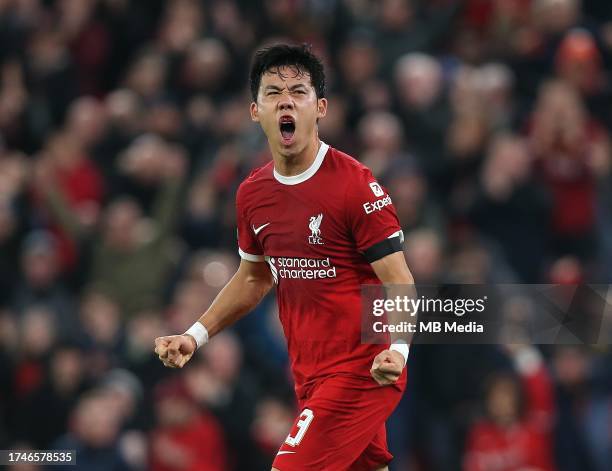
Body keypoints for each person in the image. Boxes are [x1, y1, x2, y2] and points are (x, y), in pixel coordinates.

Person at [154, 44, 414, 471]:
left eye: (298, 91)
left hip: (364, 369)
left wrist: (399, 352)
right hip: (309, 375)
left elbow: (399, 279)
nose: (286, 100)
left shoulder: (355, 185)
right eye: (273, 92)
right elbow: (254, 279)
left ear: (321, 107)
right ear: (256, 111)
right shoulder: (252, 194)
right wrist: (194, 336)